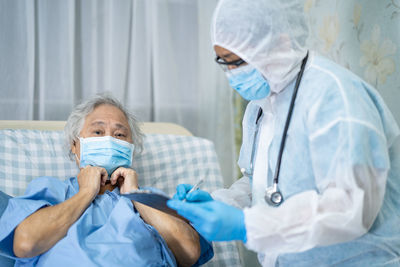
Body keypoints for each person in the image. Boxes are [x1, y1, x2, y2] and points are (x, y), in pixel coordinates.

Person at [167, 0, 400, 266]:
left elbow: (349, 210)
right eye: (224, 62)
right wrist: (219, 203)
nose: (232, 75)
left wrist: (245, 225)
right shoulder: (260, 105)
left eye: (238, 62)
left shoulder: (336, 98)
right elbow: (261, 184)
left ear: (280, 42)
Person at [0, 94, 213, 267]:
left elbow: (190, 252)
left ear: (131, 149)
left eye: (120, 135)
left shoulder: (150, 200)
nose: (109, 139)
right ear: (75, 145)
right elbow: (25, 243)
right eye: (98, 131)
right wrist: (85, 193)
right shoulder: (52, 190)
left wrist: (134, 194)